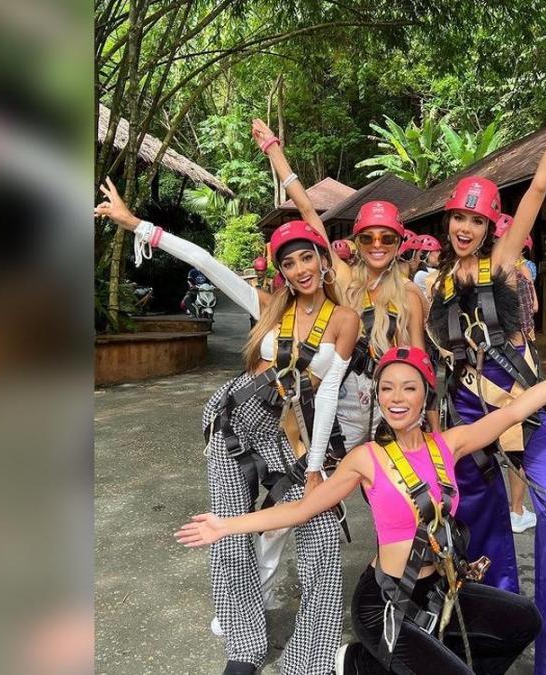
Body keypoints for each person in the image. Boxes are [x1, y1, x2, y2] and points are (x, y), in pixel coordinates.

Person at [175, 344, 546, 674]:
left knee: (524, 619)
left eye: (408, 387)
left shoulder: (450, 444)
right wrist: (226, 524)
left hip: (439, 591)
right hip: (385, 604)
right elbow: (300, 511)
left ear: (426, 396)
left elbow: (515, 410)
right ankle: (357, 662)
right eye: (386, 387)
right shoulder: (365, 459)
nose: (396, 396)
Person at [95, 178, 360, 675]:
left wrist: (316, 469)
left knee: (321, 531)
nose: (300, 269)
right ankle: (243, 646)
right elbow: (205, 262)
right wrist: (137, 225)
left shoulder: (345, 319)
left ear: (323, 261)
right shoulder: (268, 307)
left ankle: (310, 655)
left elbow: (325, 394)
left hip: (289, 434)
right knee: (230, 534)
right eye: (289, 262)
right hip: (233, 426)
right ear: (280, 271)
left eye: (307, 258)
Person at [426, 68, 546, 675]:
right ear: (448, 224)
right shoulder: (435, 287)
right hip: (469, 417)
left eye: (476, 220)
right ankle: (493, 650)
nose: (465, 227)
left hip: (525, 408)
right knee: (480, 536)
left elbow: (535, 192)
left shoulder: (502, 264)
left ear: (489, 228)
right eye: (459, 219)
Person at [252, 118, 427, 448]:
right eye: (369, 238)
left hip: (389, 400)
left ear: (398, 243)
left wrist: (426, 416)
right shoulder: (345, 280)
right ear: (358, 242)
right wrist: (273, 150)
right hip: (342, 396)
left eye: (386, 238)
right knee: (318, 475)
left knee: (390, 489)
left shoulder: (409, 293)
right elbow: (307, 211)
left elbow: (418, 354)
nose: (377, 245)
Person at [494, 214, 538, 534]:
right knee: (515, 437)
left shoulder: (480, 272)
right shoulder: (522, 271)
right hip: (518, 352)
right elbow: (533, 308)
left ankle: (509, 508)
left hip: (491, 356)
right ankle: (516, 509)